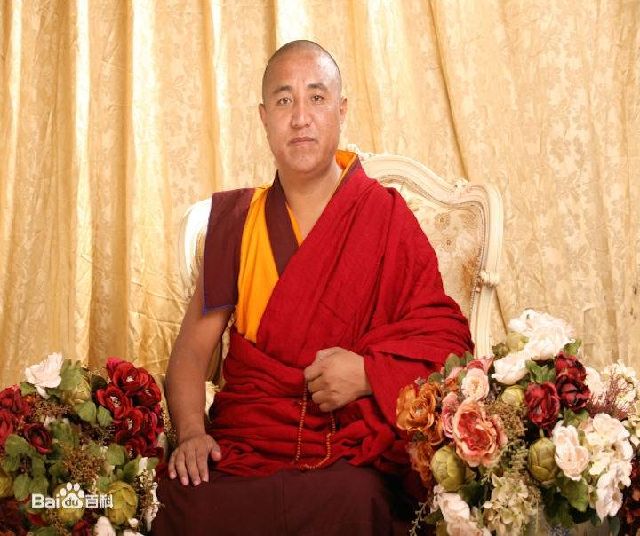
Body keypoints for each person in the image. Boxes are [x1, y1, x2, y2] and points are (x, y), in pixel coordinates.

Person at [152, 40, 472, 536]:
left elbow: (447, 345)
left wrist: (369, 374)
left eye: (316, 98)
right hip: (247, 446)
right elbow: (191, 355)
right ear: (264, 118)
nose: (300, 118)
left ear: (341, 110)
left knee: (358, 500)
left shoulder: (383, 216)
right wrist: (193, 433)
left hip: (348, 453)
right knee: (182, 502)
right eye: (284, 100)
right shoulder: (239, 223)